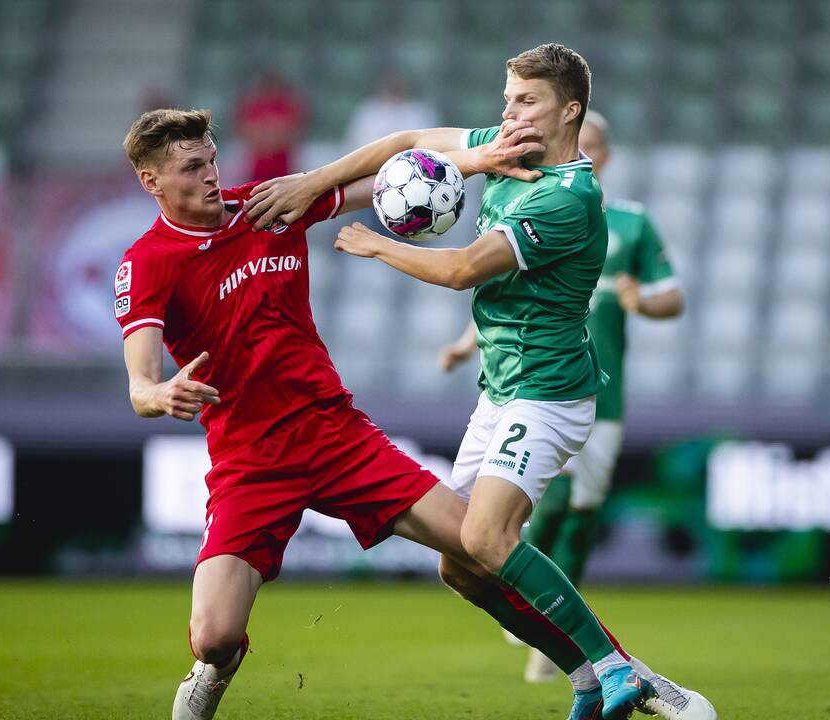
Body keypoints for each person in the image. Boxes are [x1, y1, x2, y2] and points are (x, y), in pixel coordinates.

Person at [115, 107, 654, 720]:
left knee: (485, 545)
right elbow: (140, 384)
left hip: (336, 434)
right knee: (213, 637)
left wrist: (475, 160)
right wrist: (160, 395)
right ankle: (217, 667)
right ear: (151, 181)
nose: (211, 174)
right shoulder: (148, 262)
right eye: (192, 167)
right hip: (249, 458)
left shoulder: (269, 206)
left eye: (211, 158)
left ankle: (615, 670)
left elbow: (392, 178)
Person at [243, 44, 716, 720]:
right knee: (458, 564)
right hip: (502, 389)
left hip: (549, 392)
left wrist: (375, 242)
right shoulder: (506, 149)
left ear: (569, 109)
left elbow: (466, 267)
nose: (508, 112)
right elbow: (406, 141)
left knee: (488, 539)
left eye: (526, 101)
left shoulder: (568, 197)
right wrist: (311, 182)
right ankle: (587, 675)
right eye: (507, 99)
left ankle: (618, 668)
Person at [440, 110, 687, 689]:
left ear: (607, 154)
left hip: (600, 390)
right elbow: (512, 294)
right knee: (533, 507)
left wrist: (639, 301)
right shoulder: (534, 204)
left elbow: (671, 298)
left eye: (600, 144)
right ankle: (543, 606)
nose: (591, 152)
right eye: (587, 142)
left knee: (581, 510)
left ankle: (558, 636)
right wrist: (459, 345)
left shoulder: (627, 222)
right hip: (530, 385)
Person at [233, 71, 306, 183]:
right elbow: (245, 131)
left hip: (282, 163)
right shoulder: (254, 105)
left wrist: (268, 136)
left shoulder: (287, 105)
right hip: (258, 165)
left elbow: (293, 132)